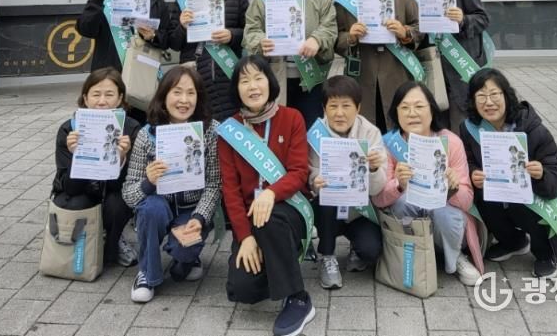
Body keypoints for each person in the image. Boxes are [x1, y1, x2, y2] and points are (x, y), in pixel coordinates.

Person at [217, 55, 315, 336]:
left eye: (258, 78)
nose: (253, 86)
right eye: (244, 81)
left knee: (270, 220)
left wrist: (271, 193)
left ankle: (298, 298)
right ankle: (278, 260)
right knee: (241, 289)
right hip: (252, 220)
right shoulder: (229, 131)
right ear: (236, 89)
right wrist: (245, 238)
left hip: (288, 209)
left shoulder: (292, 118)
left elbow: (299, 172)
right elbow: (230, 191)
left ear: (270, 83)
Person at [122, 66, 221, 303]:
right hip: (159, 206)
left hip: (191, 208)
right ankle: (147, 273)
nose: (184, 100)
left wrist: (199, 217)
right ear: (164, 96)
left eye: (191, 93)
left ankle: (187, 257)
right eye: (177, 92)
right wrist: (148, 182)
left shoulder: (210, 131)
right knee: (151, 208)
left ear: (199, 97)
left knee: (185, 252)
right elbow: (129, 194)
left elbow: (214, 184)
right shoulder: (147, 135)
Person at [459, 68, 557, 279]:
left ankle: (545, 254)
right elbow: (469, 161)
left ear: (506, 96)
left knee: (521, 203)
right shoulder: (469, 129)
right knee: (482, 197)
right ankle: (514, 242)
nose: (488, 102)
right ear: (473, 101)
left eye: (494, 94)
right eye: (481, 96)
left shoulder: (533, 128)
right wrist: (473, 173)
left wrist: (541, 173)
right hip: (498, 188)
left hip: (535, 193)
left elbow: (553, 177)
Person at [373, 81, 483, 286]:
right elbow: (378, 199)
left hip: (444, 219)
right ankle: (410, 254)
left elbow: (467, 201)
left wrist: (453, 189)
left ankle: (455, 257)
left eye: (419, 106)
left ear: (432, 110)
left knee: (444, 211)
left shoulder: (450, 142)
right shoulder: (388, 144)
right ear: (396, 113)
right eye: (405, 107)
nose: (412, 113)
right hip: (408, 224)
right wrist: (398, 185)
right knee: (403, 200)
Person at [242, 0, 337, 128]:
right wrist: (260, 41)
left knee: (310, 128)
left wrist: (317, 39)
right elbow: (251, 29)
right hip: (274, 76)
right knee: (278, 130)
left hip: (311, 79)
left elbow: (330, 26)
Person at [52, 67, 141, 267]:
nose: (102, 101)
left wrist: (121, 158)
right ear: (85, 98)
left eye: (109, 94)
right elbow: (69, 187)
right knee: (74, 202)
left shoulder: (131, 129)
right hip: (81, 190)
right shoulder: (69, 129)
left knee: (118, 204)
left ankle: (113, 242)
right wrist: (77, 157)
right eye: (95, 94)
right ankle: (79, 239)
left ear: (120, 98)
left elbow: (129, 185)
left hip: (114, 191)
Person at [308, 75, 387, 289]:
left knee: (371, 250)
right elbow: (309, 174)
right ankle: (327, 256)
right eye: (333, 106)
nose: (339, 113)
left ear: (358, 108)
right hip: (327, 209)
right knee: (326, 199)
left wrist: (373, 169)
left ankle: (356, 248)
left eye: (346, 106)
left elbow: (378, 188)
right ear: (324, 108)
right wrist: (315, 181)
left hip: (359, 210)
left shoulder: (371, 133)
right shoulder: (315, 134)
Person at [335, 0, 421, 131]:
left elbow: (419, 27)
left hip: (396, 73)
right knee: (367, 129)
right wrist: (350, 36)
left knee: (398, 126)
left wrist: (404, 32)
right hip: (362, 75)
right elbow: (335, 38)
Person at [409, 0, 490, 132]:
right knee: (434, 122)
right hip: (428, 64)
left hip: (458, 64)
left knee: (462, 124)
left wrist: (463, 19)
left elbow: (482, 19)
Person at [168, 0, 249, 121]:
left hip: (228, 73)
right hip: (194, 75)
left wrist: (231, 35)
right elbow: (173, 43)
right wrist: (182, 26)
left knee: (230, 122)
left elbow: (250, 33)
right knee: (197, 122)